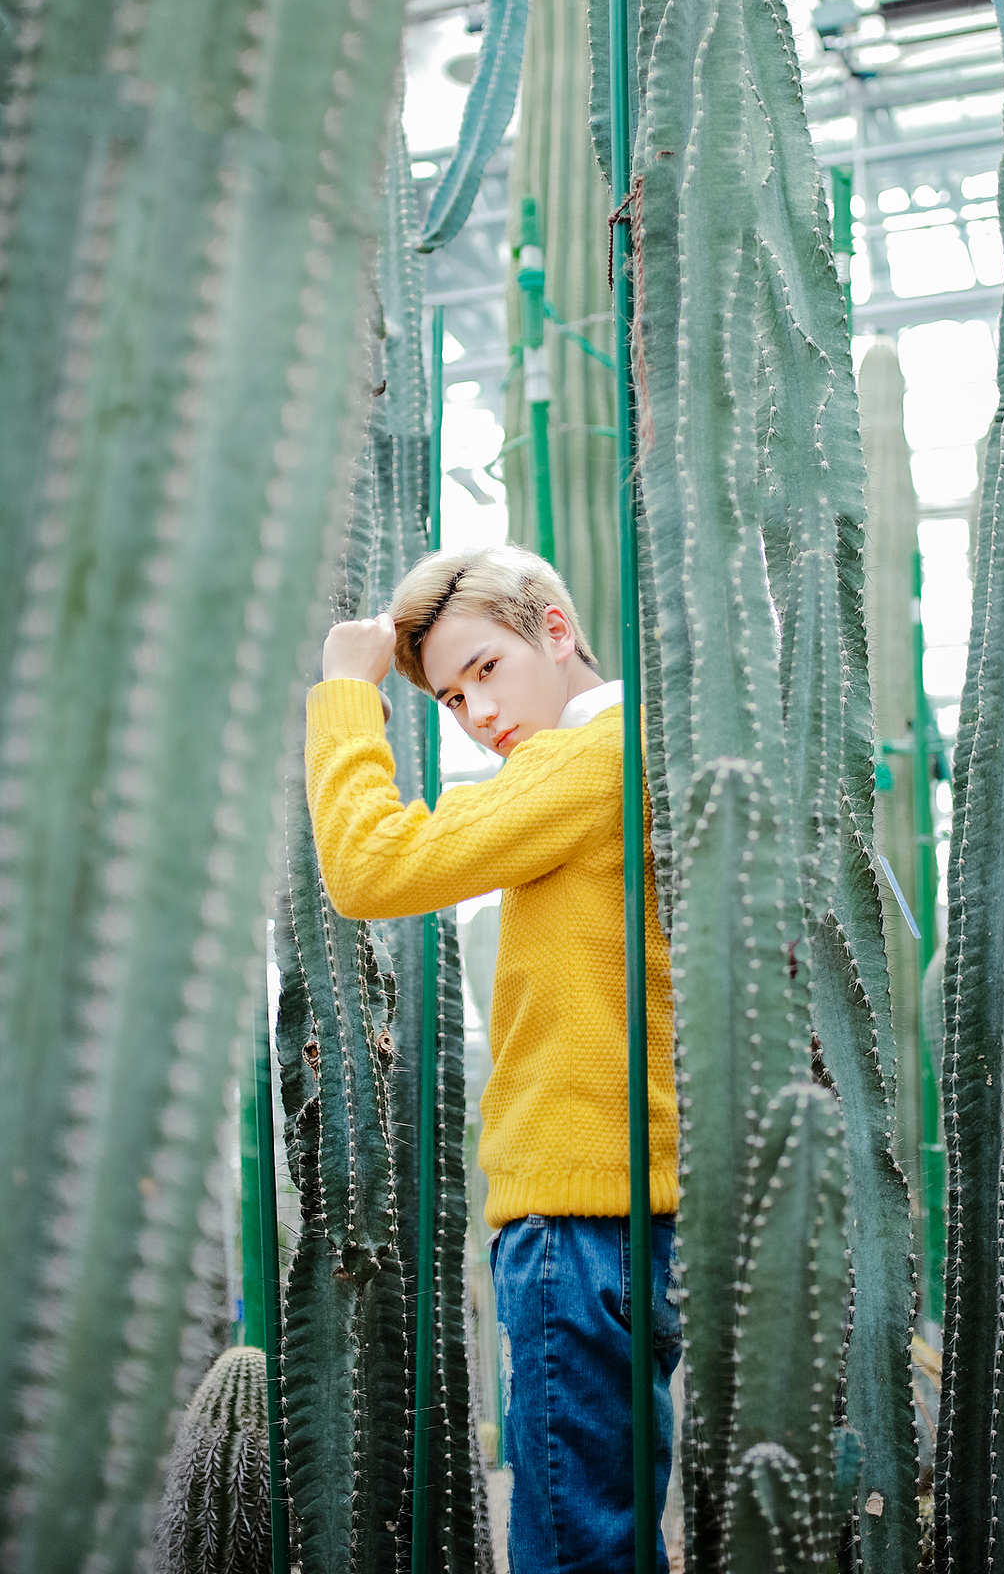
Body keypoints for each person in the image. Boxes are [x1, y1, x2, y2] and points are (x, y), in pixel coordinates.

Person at [304, 543, 682, 1573]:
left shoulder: (582, 761)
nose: (476, 713)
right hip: (645, 1200)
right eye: (448, 697)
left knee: (573, 1547)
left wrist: (347, 694)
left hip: (576, 1212)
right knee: (616, 1528)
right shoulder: (650, 750)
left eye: (484, 670)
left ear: (555, 632)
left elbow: (368, 867)